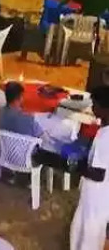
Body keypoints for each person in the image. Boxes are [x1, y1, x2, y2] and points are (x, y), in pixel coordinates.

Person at [70, 86, 109, 250]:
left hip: (96, 197)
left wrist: (76, 166)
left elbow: (98, 174)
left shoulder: (105, 138)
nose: (92, 108)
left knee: (88, 235)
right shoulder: (103, 130)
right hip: (101, 196)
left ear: (105, 108)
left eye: (95, 105)